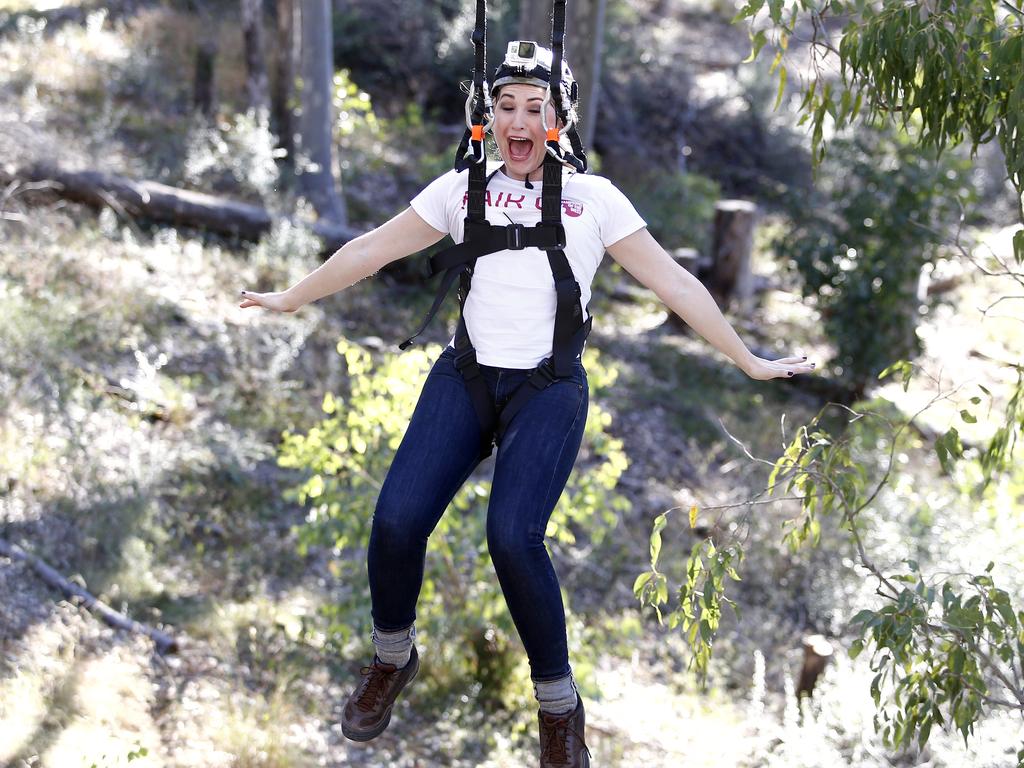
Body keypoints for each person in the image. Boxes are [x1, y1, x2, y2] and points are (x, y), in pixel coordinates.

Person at [239, 41, 815, 768]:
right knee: (394, 522)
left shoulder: (595, 201)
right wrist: (293, 296)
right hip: (467, 375)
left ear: (560, 122)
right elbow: (371, 249)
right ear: (488, 118)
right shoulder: (460, 188)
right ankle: (392, 658)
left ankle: (560, 708)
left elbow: (676, 285)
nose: (518, 120)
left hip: (547, 389)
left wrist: (748, 358)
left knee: (513, 538)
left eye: (534, 108)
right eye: (505, 106)